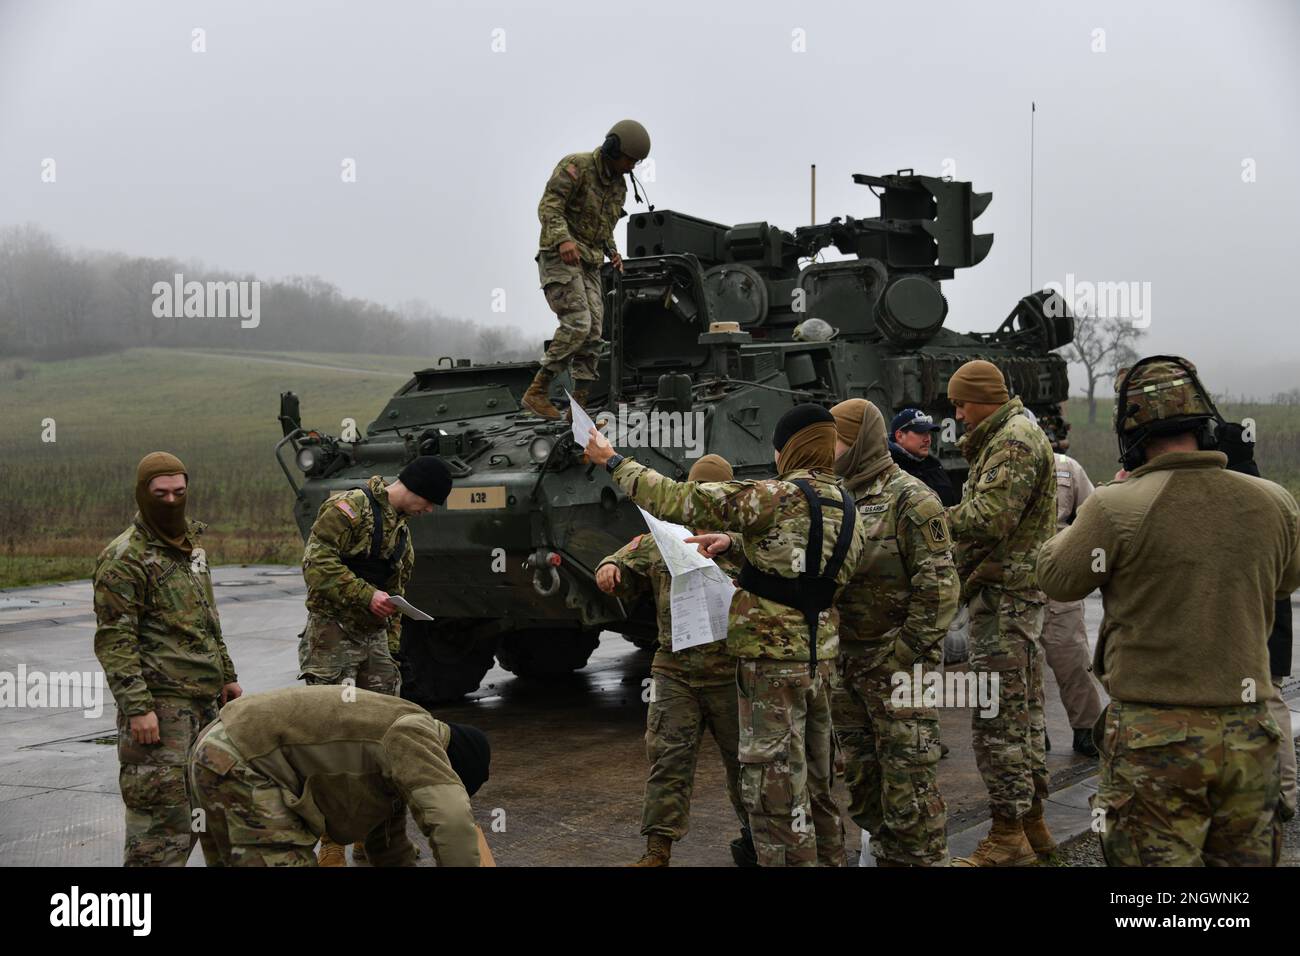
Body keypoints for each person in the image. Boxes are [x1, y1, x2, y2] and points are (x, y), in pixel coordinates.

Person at [1040, 357, 1300, 865]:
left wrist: (1106, 504)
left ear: (1129, 435)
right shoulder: (1274, 502)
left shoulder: (1115, 506)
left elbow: (1057, 578)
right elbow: (1285, 580)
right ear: (1205, 424)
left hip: (1154, 739)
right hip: (1250, 733)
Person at [584, 404, 867, 866]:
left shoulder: (774, 497)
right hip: (818, 664)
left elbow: (675, 499)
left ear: (790, 449)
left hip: (771, 672)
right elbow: (802, 563)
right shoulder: (845, 503)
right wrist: (734, 542)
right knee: (817, 789)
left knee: (774, 793)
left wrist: (613, 460)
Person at [596, 454, 750, 867]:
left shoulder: (746, 541)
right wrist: (610, 570)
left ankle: (756, 842)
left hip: (732, 673)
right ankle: (657, 851)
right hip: (675, 669)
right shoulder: (667, 541)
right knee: (669, 759)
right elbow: (620, 560)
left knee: (746, 764)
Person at [298, 454, 452, 864]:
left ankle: (374, 834)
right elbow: (316, 564)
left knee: (383, 739)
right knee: (331, 739)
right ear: (416, 488)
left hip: (375, 642)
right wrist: (366, 595)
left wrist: (395, 651)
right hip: (332, 638)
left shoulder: (402, 533)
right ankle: (331, 841)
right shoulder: (350, 509)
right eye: (431, 501)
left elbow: (396, 593)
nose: (430, 511)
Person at [93, 452, 241, 866]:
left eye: (179, 491)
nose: (172, 501)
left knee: (213, 814)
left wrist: (226, 675)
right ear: (143, 494)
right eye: (161, 493)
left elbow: (208, 617)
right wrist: (138, 709)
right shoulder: (125, 558)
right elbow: (115, 640)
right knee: (161, 829)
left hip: (205, 705)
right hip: (160, 709)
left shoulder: (192, 549)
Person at [829, 399, 959, 866]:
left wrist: (902, 656)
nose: (831, 449)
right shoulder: (834, 498)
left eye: (838, 440)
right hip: (847, 673)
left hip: (898, 674)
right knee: (866, 792)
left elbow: (940, 588)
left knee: (911, 799)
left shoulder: (912, 498)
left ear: (859, 441)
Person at [943, 360, 1058, 866]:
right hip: (1013, 598)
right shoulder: (1015, 433)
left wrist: (931, 518)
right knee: (1023, 714)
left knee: (997, 719)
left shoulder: (1011, 441)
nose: (958, 414)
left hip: (1004, 602)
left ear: (985, 397)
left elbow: (991, 517)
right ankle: (1032, 824)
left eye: (962, 403)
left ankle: (1007, 835)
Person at [189, 686, 491, 867]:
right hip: (240, 757)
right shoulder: (414, 733)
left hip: (221, 747)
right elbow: (452, 820)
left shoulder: (395, 759)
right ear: (452, 766)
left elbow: (389, 845)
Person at [522, 119, 651, 419]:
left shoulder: (618, 188)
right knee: (578, 323)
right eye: (629, 159)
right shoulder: (575, 166)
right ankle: (537, 392)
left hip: (590, 264)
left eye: (636, 162)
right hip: (560, 258)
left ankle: (576, 408)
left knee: (594, 333)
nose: (631, 167)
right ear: (612, 148)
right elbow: (549, 207)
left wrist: (613, 252)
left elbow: (603, 228)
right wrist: (563, 240)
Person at [1035, 417, 1104, 757]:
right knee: (1021, 665)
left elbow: (1091, 517)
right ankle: (1033, 731)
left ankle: (1087, 728)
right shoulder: (996, 470)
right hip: (1015, 586)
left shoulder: (1068, 469)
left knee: (1072, 657)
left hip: (1059, 584)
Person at [888, 407, 960, 506]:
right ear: (900, 436)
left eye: (928, 433)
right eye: (920, 432)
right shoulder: (888, 469)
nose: (928, 439)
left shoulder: (933, 465)